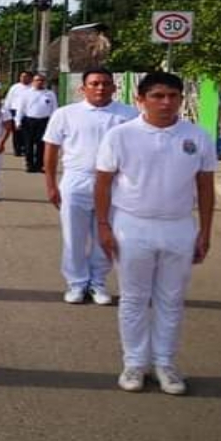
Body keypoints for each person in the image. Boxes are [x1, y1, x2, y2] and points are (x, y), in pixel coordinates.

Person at [95, 71, 216, 396]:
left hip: (179, 225)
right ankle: (134, 363)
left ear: (181, 99)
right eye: (157, 96)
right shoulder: (121, 135)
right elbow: (103, 182)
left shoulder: (198, 136)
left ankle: (165, 363)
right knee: (134, 298)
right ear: (140, 99)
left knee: (171, 299)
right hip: (132, 224)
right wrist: (104, 226)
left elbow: (205, 186)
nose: (166, 102)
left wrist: (205, 231)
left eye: (173, 96)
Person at [43, 69, 138, 305]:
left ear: (114, 88)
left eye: (106, 84)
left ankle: (98, 283)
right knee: (74, 237)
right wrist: (51, 185)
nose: (100, 88)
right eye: (94, 83)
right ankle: (76, 284)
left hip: (115, 184)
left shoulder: (129, 114)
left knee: (105, 236)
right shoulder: (65, 113)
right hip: (76, 180)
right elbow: (51, 151)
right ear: (82, 88)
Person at [17, 73, 58, 173]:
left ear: (44, 82)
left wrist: (54, 123)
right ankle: (30, 164)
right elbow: (20, 108)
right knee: (28, 144)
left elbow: (54, 108)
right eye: (37, 80)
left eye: (41, 80)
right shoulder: (26, 93)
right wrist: (17, 121)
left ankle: (40, 165)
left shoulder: (49, 94)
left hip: (44, 121)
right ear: (33, 82)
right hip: (29, 121)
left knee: (41, 145)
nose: (39, 82)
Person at [4, 71, 33, 157]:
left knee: (26, 132)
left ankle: (26, 148)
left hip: (27, 112)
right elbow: (9, 99)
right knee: (16, 132)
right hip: (15, 110)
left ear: (30, 78)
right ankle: (17, 149)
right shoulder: (15, 87)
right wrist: (6, 111)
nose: (23, 78)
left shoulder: (32, 88)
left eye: (26, 76)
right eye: (21, 76)